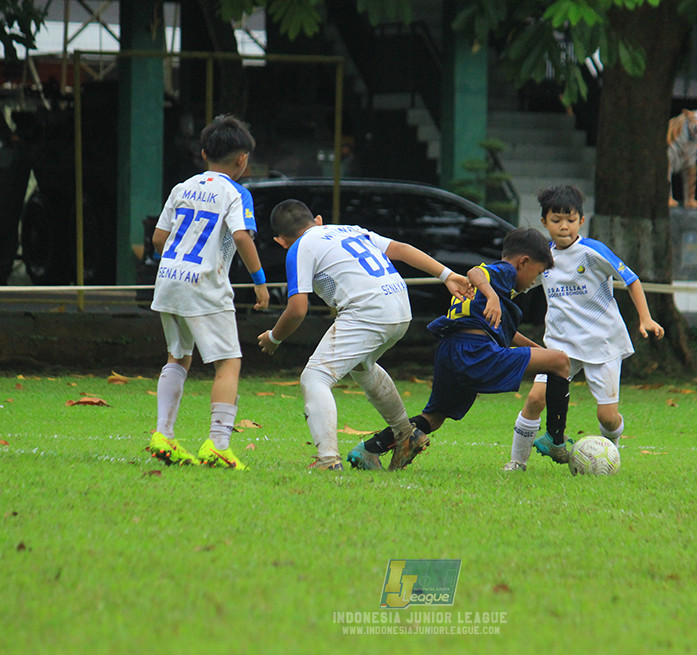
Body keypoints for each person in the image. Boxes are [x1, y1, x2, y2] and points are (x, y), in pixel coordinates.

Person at [256, 199, 472, 471]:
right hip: (400, 306)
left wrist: (274, 338)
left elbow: (297, 309)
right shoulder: (351, 230)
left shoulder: (299, 248)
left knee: (315, 377)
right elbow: (402, 250)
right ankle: (405, 434)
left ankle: (327, 460)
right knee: (363, 366)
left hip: (367, 311)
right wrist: (447, 275)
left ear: (280, 241)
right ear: (318, 220)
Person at [353, 227, 570, 471]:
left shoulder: (498, 292)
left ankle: (369, 449)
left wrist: (542, 352)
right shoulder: (503, 272)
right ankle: (555, 440)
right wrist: (491, 295)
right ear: (524, 262)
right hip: (473, 352)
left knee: (433, 419)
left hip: (451, 350)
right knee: (561, 362)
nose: (533, 282)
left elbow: (509, 334)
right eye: (537, 273)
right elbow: (475, 272)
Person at [504, 184, 664, 472]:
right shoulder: (544, 258)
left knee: (607, 417)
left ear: (581, 221)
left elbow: (632, 280)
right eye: (556, 220)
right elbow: (521, 284)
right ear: (544, 222)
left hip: (601, 343)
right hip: (559, 346)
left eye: (570, 219)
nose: (563, 226)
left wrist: (645, 318)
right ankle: (517, 463)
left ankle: (609, 456)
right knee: (534, 398)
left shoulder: (593, 252)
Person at [145, 114, 270, 471]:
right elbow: (243, 236)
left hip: (169, 280)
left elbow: (157, 239)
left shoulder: (182, 188)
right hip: (205, 284)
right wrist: (260, 281)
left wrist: (179, 257)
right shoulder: (235, 192)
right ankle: (217, 444)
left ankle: (164, 435)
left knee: (177, 357)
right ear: (242, 159)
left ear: (204, 154)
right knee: (228, 362)